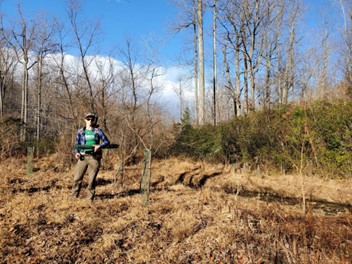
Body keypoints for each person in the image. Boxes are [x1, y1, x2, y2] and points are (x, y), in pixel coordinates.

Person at [71, 113, 110, 201]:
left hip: (94, 158)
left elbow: (107, 141)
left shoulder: (97, 131)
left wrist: (99, 146)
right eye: (88, 119)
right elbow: (77, 144)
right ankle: (73, 197)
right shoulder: (81, 131)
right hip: (83, 157)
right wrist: (77, 152)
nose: (90, 121)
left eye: (92, 119)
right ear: (85, 120)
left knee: (92, 179)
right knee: (77, 178)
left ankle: (89, 198)